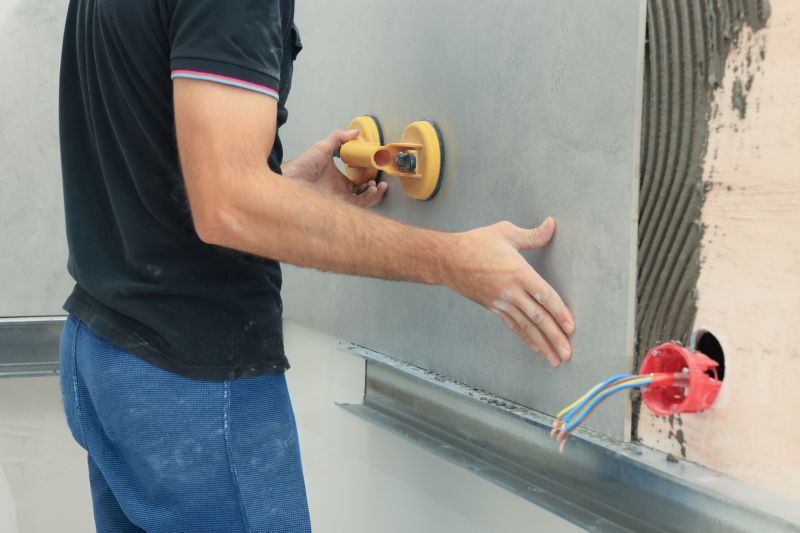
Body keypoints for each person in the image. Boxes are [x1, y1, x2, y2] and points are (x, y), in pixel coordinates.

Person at [57, 0, 575, 531]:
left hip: (103, 354)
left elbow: (156, 153)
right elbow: (228, 207)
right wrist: (452, 260)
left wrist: (281, 193)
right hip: (191, 385)